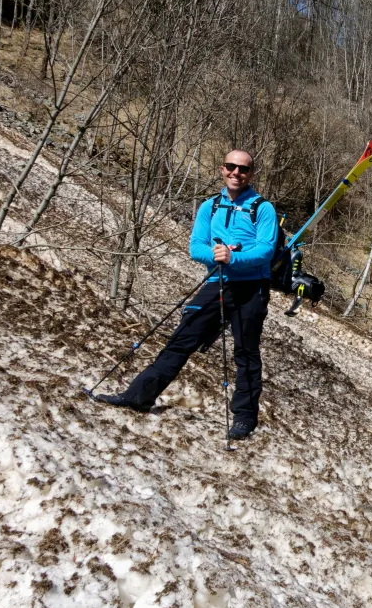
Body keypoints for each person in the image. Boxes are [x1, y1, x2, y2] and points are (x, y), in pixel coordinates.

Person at [96, 150, 279, 440]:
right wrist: (218, 256)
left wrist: (234, 259)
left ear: (251, 174)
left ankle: (244, 418)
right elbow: (196, 247)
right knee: (181, 340)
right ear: (222, 169)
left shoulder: (262, 208)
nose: (236, 173)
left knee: (245, 352)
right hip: (217, 282)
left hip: (251, 288)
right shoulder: (210, 206)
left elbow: (266, 249)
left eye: (243, 169)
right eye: (231, 166)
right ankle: (137, 397)